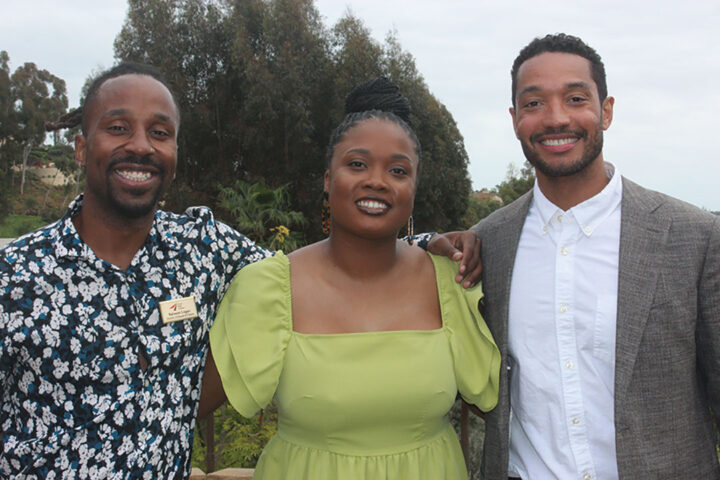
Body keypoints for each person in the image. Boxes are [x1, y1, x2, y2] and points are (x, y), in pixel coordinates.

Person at [0, 63, 480, 479]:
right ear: (82, 147)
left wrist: (423, 245)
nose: (142, 147)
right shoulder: (15, 274)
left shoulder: (203, 247)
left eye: (160, 133)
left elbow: (328, 266)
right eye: (119, 128)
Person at [198, 77, 501, 479]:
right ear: (328, 179)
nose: (376, 180)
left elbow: (505, 405)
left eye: (397, 170)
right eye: (357, 164)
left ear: (413, 188)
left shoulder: (451, 282)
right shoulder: (268, 289)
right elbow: (181, 409)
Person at [471, 34, 720, 479]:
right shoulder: (488, 243)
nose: (556, 118)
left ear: (605, 110)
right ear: (514, 119)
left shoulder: (694, 238)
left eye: (575, 98)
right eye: (534, 104)